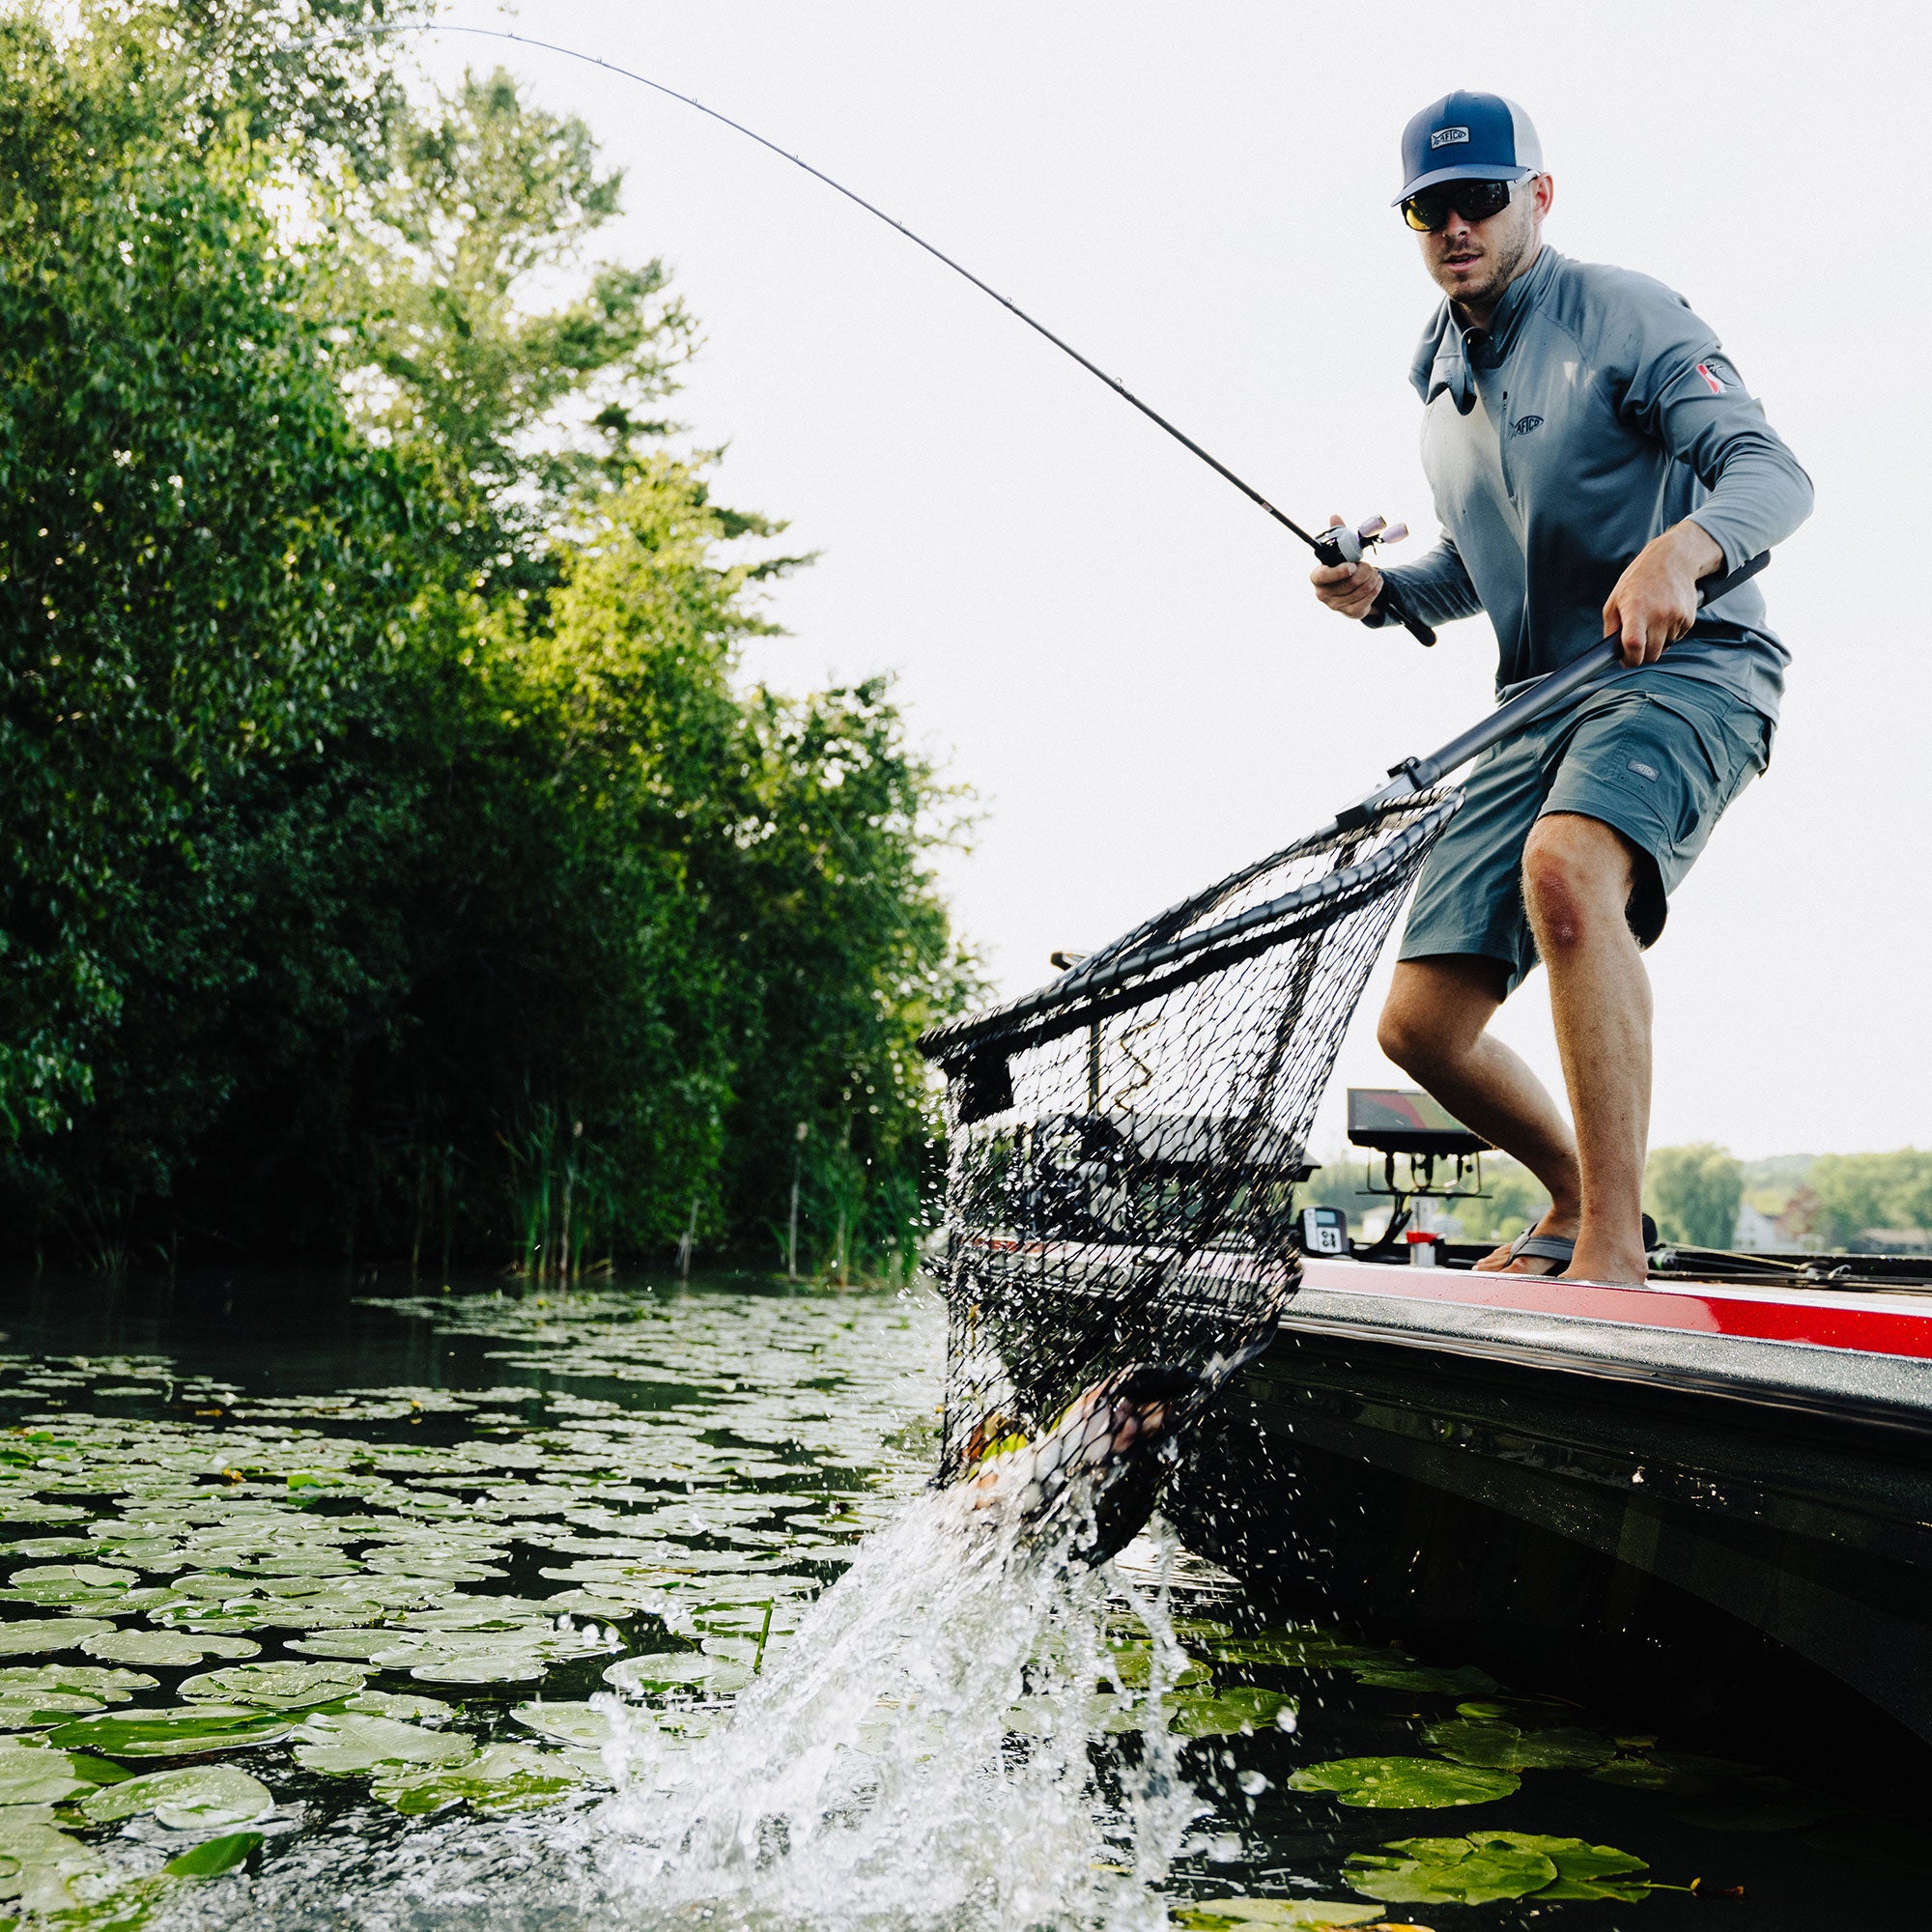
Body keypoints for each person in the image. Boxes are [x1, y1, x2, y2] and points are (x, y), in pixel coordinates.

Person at [1311, 92, 1811, 1285]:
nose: (1453, 225)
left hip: (1688, 667)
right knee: (1418, 1029)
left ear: (1537, 195)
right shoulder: (1436, 369)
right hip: (1535, 706)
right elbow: (1478, 568)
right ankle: (1580, 1198)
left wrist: (1680, 553)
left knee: (1564, 866)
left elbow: (1771, 474)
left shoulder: (1624, 312)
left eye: (1477, 197)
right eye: (1425, 208)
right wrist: (1379, 589)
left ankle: (1607, 1262)